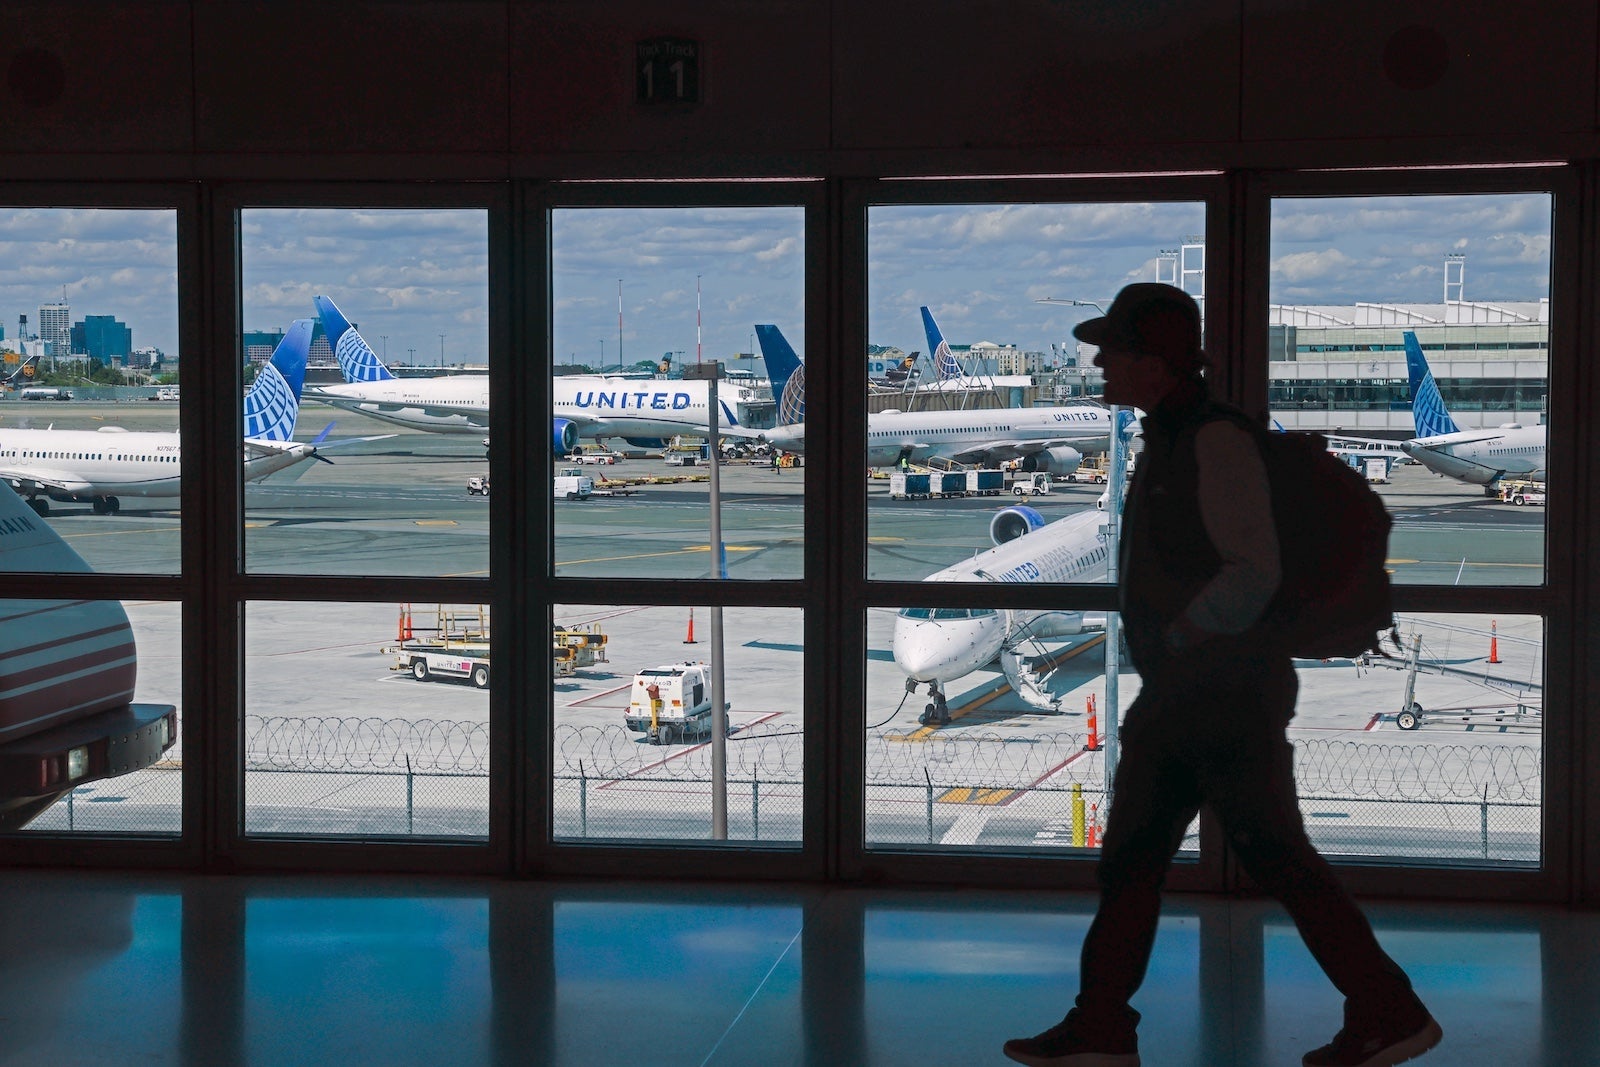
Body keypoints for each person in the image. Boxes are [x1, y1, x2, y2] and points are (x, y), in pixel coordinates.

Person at [1002, 284, 1440, 1067]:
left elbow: (1252, 568)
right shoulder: (1172, 437)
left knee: (1236, 858)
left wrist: (1182, 631)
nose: (1099, 363)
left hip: (1218, 693)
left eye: (1114, 350)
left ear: (1156, 362)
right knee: (1147, 859)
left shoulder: (1213, 442)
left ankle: (1387, 1008)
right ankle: (1103, 1022)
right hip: (1194, 690)